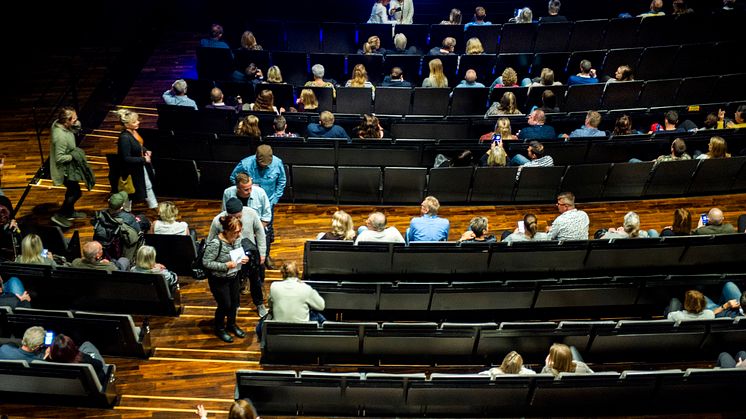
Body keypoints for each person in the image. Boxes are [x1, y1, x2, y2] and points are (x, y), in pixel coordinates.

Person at [208, 197, 267, 305]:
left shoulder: (251, 213)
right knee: (234, 282)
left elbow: (260, 232)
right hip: (231, 256)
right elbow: (210, 240)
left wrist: (262, 253)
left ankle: (259, 304)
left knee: (255, 279)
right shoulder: (218, 221)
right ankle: (235, 306)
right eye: (234, 217)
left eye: (240, 216)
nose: (238, 219)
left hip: (249, 252)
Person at [202, 215, 250, 343]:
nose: (239, 234)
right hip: (219, 279)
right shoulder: (215, 244)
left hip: (233, 276)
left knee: (234, 303)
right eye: (236, 232)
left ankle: (231, 324)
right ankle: (219, 328)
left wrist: (244, 258)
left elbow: (239, 253)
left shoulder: (237, 239)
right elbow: (206, 262)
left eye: (240, 231)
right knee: (225, 305)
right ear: (227, 231)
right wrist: (225, 266)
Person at [49, 106, 89, 228]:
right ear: (66, 121)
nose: (76, 121)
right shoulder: (60, 137)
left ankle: (69, 211)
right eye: (74, 119)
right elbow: (59, 158)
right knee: (76, 192)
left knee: (72, 191)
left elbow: (76, 128)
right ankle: (60, 215)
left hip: (69, 168)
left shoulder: (59, 123)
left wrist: (75, 123)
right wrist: (74, 156)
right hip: (64, 170)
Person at [116, 109, 157, 209]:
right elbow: (126, 158)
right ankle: (126, 210)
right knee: (128, 191)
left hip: (139, 166)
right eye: (134, 122)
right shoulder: (124, 138)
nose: (138, 122)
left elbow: (138, 145)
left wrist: (145, 150)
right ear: (126, 125)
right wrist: (143, 159)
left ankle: (154, 206)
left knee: (147, 186)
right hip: (131, 170)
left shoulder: (133, 132)